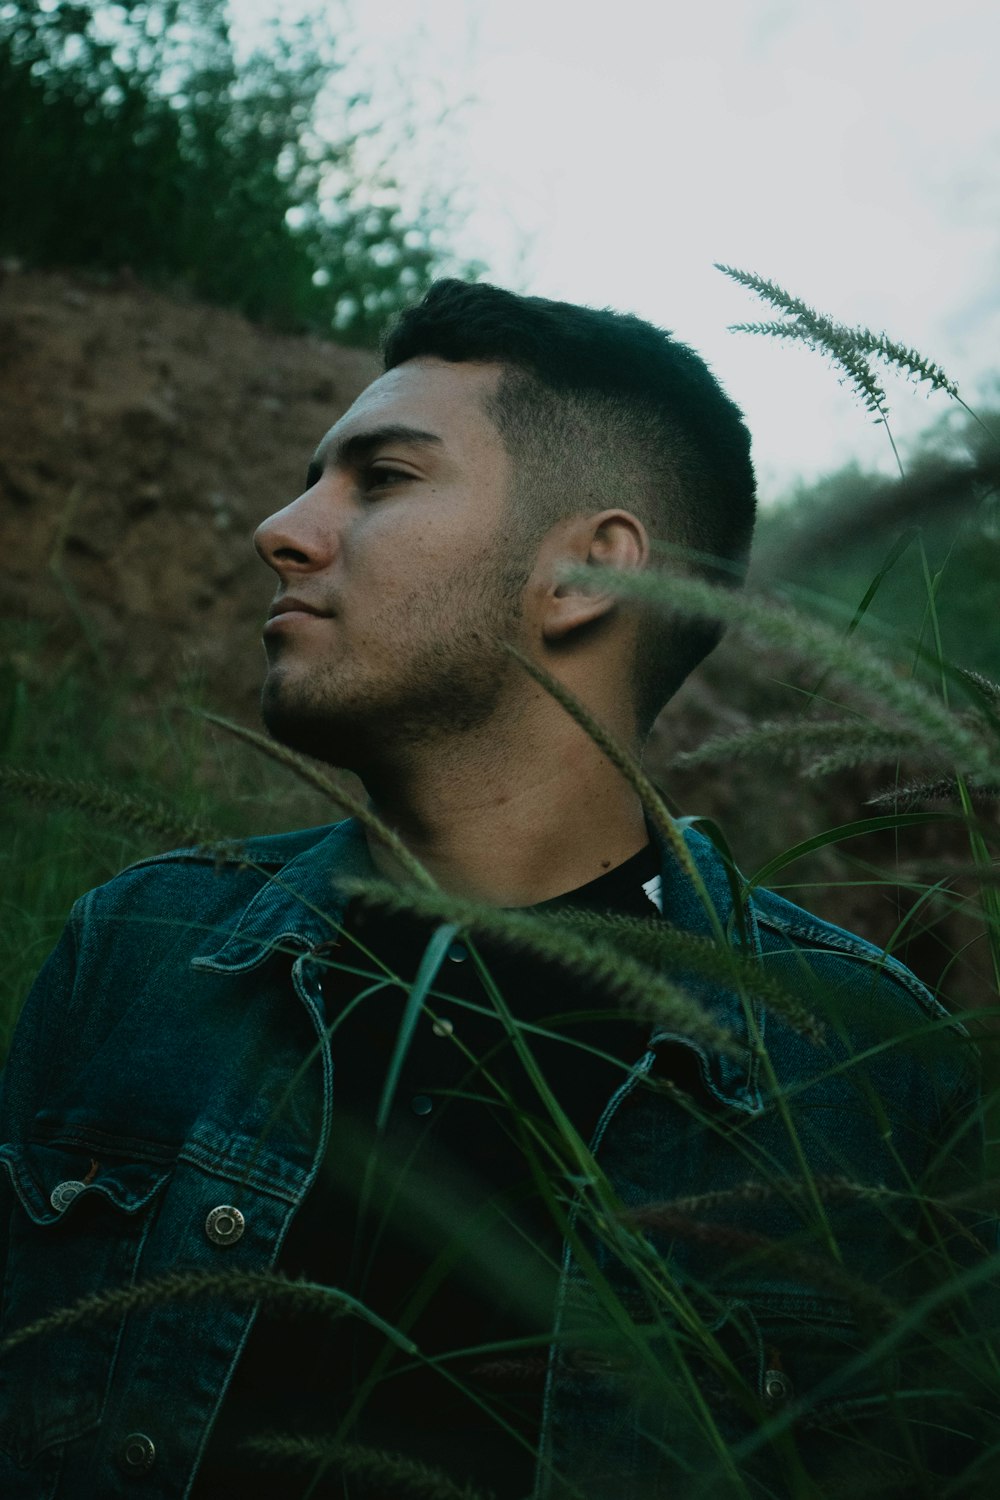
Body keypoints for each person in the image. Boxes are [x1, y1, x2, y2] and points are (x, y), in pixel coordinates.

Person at [0, 280, 989, 1500]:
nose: (282, 527)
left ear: (589, 573)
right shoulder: (140, 951)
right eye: (314, 476)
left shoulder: (870, 1071)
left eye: (383, 478)